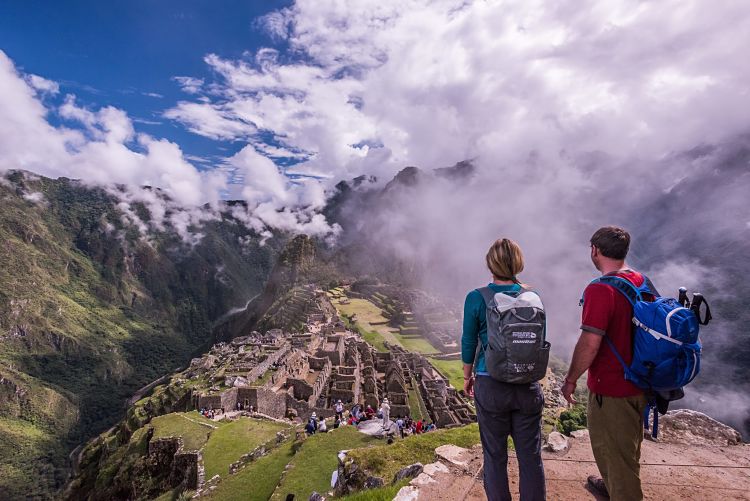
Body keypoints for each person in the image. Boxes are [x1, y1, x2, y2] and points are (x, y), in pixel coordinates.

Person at [562, 226, 649, 501]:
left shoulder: (601, 290)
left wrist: (571, 379)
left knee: (614, 450)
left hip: (612, 387)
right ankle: (612, 484)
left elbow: (590, 342)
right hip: (640, 381)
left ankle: (620, 491)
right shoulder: (640, 280)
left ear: (595, 251)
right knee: (627, 447)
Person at [462, 238, 545, 501]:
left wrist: (467, 376)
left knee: (495, 455)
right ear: (518, 264)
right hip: (527, 385)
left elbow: (468, 340)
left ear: (490, 264)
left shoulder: (477, 298)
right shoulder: (533, 297)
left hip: (490, 383)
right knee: (530, 457)